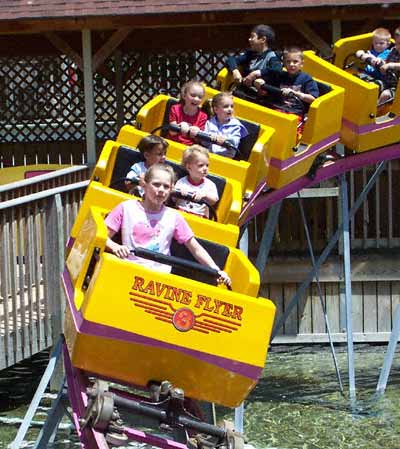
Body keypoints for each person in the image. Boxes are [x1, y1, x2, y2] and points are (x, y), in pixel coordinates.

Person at [105, 164, 231, 285]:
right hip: (128, 269)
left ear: (171, 190)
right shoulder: (126, 208)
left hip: (159, 278)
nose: (161, 190)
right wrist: (115, 246)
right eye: (156, 185)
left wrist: (216, 270)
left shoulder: (173, 217)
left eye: (166, 187)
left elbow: (195, 248)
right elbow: (102, 235)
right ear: (144, 185)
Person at [254, 46, 319, 132]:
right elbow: (266, 86)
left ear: (301, 64)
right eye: (288, 62)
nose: (291, 64)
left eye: (295, 62)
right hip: (278, 109)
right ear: (284, 63)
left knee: (286, 128)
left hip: (295, 113)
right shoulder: (280, 76)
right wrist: (260, 82)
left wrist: (295, 93)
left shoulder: (306, 79)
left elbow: (313, 99)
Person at [225, 24, 282, 101]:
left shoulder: (272, 56)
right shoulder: (250, 54)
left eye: (252, 37)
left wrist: (255, 73)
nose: (249, 39)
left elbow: (277, 69)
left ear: (263, 39)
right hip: (246, 92)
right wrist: (235, 71)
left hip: (263, 97)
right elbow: (231, 59)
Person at [174, 145, 219, 219]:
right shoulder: (182, 182)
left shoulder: (210, 185)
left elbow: (214, 200)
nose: (205, 168)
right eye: (200, 165)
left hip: (200, 217)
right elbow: (173, 198)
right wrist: (180, 193)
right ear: (189, 167)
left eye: (207, 165)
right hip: (180, 214)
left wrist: (205, 195)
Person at [200, 92, 248, 158]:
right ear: (216, 109)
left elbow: (235, 141)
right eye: (226, 106)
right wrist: (210, 137)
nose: (230, 109)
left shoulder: (236, 125)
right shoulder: (209, 123)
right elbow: (203, 142)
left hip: (226, 158)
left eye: (231, 106)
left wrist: (225, 140)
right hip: (209, 156)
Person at [168, 80, 208, 146]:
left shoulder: (203, 116)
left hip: (190, 147)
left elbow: (199, 140)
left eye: (200, 97)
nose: (196, 99)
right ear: (184, 96)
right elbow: (172, 132)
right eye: (193, 95)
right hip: (173, 144)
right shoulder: (175, 109)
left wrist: (197, 132)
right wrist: (181, 125)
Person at [378, 26, 400, 106]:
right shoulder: (394, 51)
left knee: (386, 95)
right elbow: (385, 61)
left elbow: (391, 65)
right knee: (374, 85)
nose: (399, 47)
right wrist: (381, 62)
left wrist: (391, 65)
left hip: (397, 89)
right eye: (398, 44)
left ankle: (374, 113)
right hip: (386, 81)